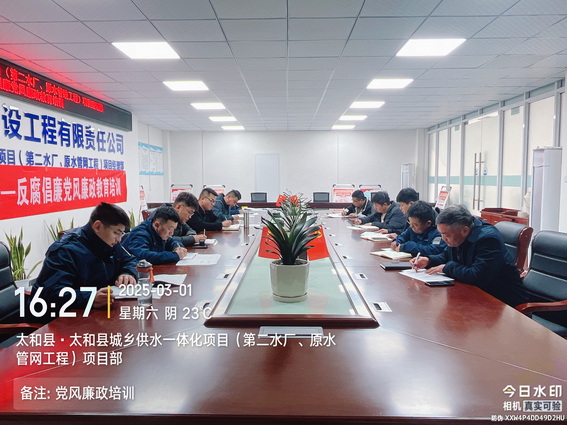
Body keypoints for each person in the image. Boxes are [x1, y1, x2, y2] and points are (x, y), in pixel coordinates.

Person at [29, 203, 137, 320]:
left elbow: (129, 259)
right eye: (116, 233)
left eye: (121, 234)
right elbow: (52, 293)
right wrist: (90, 298)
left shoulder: (109, 242)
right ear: (98, 226)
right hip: (59, 319)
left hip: (94, 314)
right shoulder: (65, 250)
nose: (119, 239)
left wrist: (127, 272)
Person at [411, 204, 528, 307]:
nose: (443, 239)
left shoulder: (488, 239)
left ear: (465, 230)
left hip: (503, 303)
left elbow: (476, 276)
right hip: (477, 297)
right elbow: (447, 255)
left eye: (446, 235)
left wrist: (446, 267)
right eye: (441, 234)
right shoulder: (457, 235)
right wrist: (428, 260)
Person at [122, 206, 187, 265]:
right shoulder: (140, 234)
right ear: (157, 225)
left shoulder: (159, 232)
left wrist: (177, 247)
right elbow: (143, 256)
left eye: (174, 229)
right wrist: (175, 255)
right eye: (170, 229)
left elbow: (171, 240)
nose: (171, 233)